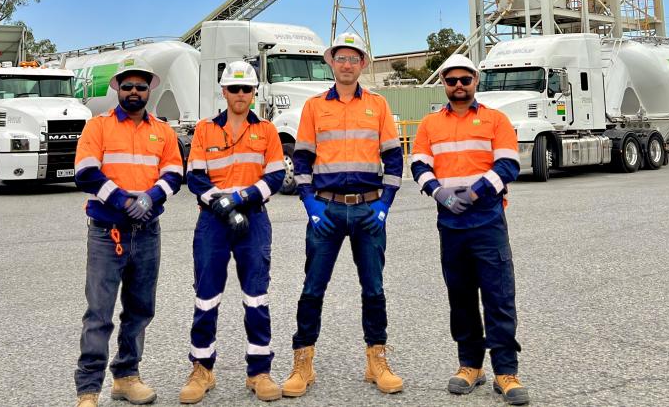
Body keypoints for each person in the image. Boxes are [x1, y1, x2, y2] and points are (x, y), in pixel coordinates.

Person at [282, 32, 404, 398]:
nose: (347, 65)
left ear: (363, 64)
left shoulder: (378, 105)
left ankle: (376, 360)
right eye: (341, 58)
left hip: (368, 209)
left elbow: (394, 158)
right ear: (331, 63)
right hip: (327, 209)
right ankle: (303, 362)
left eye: (354, 59)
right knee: (312, 289)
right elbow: (302, 158)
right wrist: (309, 202)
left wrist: (384, 204)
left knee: (374, 289)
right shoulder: (315, 107)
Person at [409, 53, 529, 405]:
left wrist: (475, 191)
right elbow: (418, 163)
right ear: (443, 83)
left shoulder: (495, 119)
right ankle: (470, 366)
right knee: (460, 297)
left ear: (476, 81)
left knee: (498, 296)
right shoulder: (431, 124)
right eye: (452, 81)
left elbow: (508, 164)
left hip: (487, 222)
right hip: (451, 223)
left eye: (465, 80)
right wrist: (440, 193)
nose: (459, 87)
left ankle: (506, 371)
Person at [72, 65, 185, 407]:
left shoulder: (162, 131)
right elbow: (86, 173)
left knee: (139, 310)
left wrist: (151, 197)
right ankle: (88, 390)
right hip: (109, 234)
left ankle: (126, 377)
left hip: (147, 232)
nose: (134, 92)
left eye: (140, 86)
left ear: (149, 91)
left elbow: (174, 173)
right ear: (117, 88)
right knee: (99, 313)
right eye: (128, 86)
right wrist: (122, 200)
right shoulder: (99, 126)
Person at [179, 61, 286, 404]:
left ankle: (259, 371)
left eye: (247, 89)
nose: (241, 95)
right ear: (223, 91)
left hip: (253, 219)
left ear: (254, 93)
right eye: (234, 89)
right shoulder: (205, 129)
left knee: (256, 295)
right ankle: (201, 368)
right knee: (206, 295)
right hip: (213, 221)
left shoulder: (267, 131)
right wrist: (220, 204)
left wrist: (239, 198)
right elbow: (195, 176)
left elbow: (274, 177)